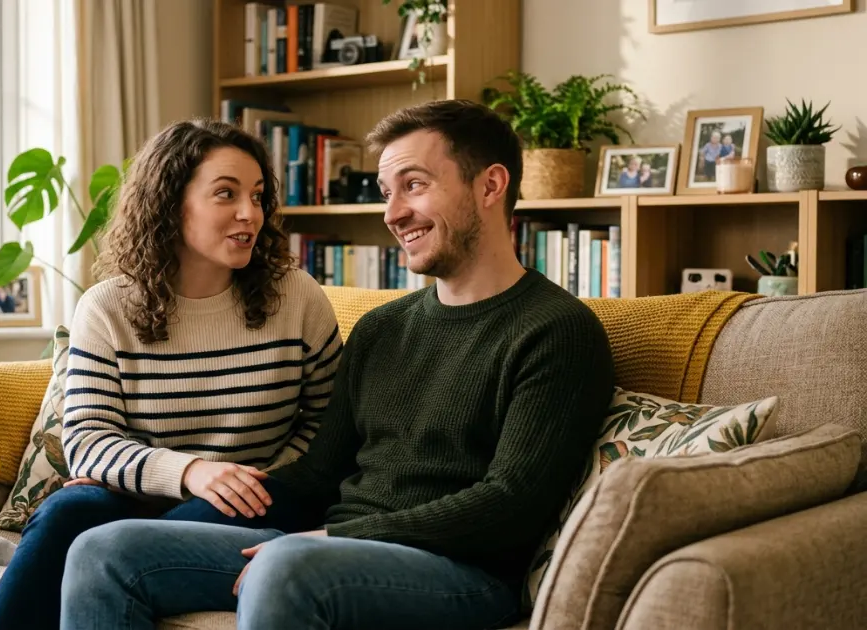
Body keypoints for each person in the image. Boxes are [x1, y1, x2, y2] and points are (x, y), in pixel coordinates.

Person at [59, 99, 616, 630]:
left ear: (491, 185)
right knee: (104, 549)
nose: (394, 213)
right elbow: (318, 472)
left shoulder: (556, 331)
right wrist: (185, 504)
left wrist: (329, 537)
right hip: (332, 544)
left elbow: (510, 504)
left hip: (462, 572)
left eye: (415, 186)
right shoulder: (383, 328)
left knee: (285, 567)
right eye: (386, 192)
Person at [0, 118, 342, 630]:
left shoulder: (297, 296)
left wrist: (257, 476)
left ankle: (54, 561)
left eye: (257, 196)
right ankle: (62, 557)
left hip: (262, 495)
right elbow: (86, 438)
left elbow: (331, 426)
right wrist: (188, 473)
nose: (249, 213)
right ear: (172, 203)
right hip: (143, 492)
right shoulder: (107, 308)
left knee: (127, 529)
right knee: (66, 514)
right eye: (225, 194)